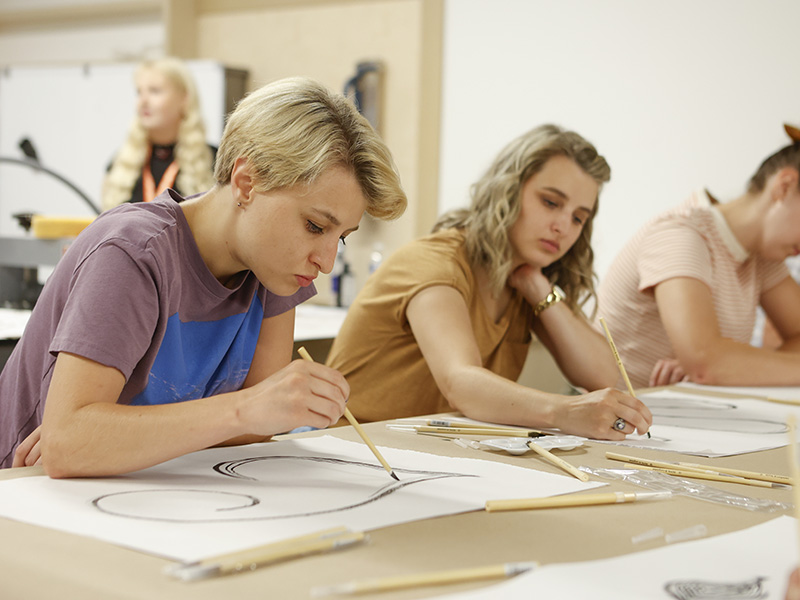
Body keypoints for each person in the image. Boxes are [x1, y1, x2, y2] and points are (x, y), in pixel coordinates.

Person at [0, 76, 407, 475]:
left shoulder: (276, 270)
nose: (327, 261)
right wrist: (242, 410)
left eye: (343, 238)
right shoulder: (133, 253)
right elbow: (69, 445)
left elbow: (252, 434)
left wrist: (113, 437)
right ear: (246, 182)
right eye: (316, 227)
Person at [326, 124, 652, 440]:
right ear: (507, 191)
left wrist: (539, 290)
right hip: (348, 451)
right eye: (551, 202)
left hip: (426, 459)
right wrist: (563, 411)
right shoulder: (435, 262)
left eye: (578, 217)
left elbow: (608, 379)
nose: (563, 226)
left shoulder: (526, 283)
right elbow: (460, 383)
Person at [596, 124, 800, 389]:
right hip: (621, 419)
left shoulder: (760, 256)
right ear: (784, 186)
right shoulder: (681, 235)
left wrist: (736, 366)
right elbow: (706, 365)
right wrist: (718, 363)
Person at [101, 57, 216, 210]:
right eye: (139, 92)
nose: (143, 101)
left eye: (155, 91)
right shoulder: (120, 163)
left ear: (184, 98)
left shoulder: (214, 161)